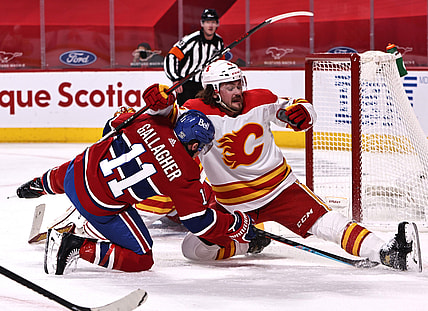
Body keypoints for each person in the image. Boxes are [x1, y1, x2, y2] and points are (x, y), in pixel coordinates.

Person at [146, 60, 421, 271]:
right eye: (230, 87)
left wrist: (304, 113)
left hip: (280, 191)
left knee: (330, 223)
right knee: (193, 249)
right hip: (232, 205)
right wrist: (156, 101)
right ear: (214, 92)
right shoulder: (195, 111)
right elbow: (163, 115)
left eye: (239, 84)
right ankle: (247, 243)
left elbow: (295, 108)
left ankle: (386, 250)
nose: (238, 92)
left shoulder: (260, 99)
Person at [15, 84, 261, 275]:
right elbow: (199, 222)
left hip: (73, 175)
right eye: (201, 148)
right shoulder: (185, 173)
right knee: (142, 257)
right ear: (194, 143)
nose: (200, 152)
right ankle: (75, 246)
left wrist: (158, 99)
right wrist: (237, 225)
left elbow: (110, 126)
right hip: (100, 206)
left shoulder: (148, 120)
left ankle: (39, 184)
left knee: (85, 164)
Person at [164, 8, 224, 106]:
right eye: (207, 22)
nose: (210, 25)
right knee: (186, 113)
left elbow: (220, 63)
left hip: (206, 85)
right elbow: (172, 56)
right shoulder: (191, 40)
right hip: (187, 84)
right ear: (202, 23)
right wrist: (175, 79)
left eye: (213, 22)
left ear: (217, 24)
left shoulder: (219, 42)